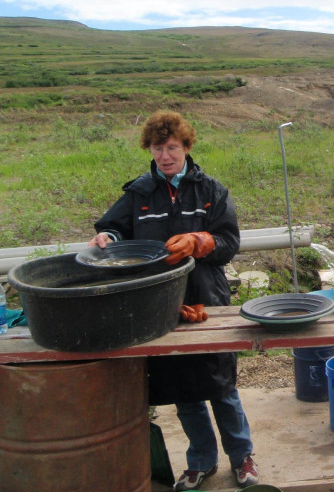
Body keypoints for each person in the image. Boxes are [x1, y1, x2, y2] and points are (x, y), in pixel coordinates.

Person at [89, 111, 259, 491]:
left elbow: (229, 243)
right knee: (185, 390)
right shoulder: (138, 193)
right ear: (148, 149)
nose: (165, 155)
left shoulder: (210, 190)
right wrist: (108, 240)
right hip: (159, 306)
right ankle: (200, 461)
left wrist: (200, 242)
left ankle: (242, 456)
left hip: (207, 301)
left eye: (172, 147)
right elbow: (113, 228)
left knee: (221, 385)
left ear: (186, 148)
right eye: (157, 148)